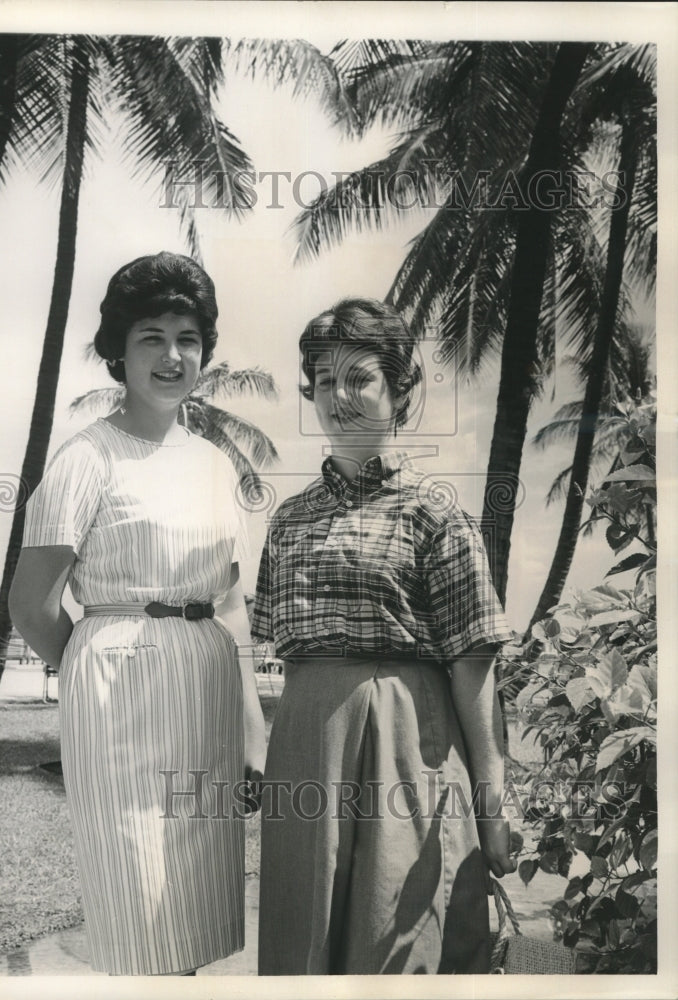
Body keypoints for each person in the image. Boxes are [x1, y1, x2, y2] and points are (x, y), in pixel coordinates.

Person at [10, 251, 265, 976]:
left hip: (207, 689)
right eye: (151, 336)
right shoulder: (87, 457)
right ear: (118, 352)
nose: (171, 355)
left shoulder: (217, 466)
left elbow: (231, 607)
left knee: (191, 911)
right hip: (117, 697)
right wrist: (98, 665)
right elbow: (31, 605)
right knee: (135, 901)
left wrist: (253, 733)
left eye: (187, 339)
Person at [251, 298, 517, 975]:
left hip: (408, 746)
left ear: (401, 390)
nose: (338, 396)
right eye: (323, 379)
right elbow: (268, 655)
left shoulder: (436, 515)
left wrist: (492, 800)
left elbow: (473, 670)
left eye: (360, 378)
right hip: (308, 742)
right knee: (303, 932)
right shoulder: (287, 523)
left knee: (396, 931)